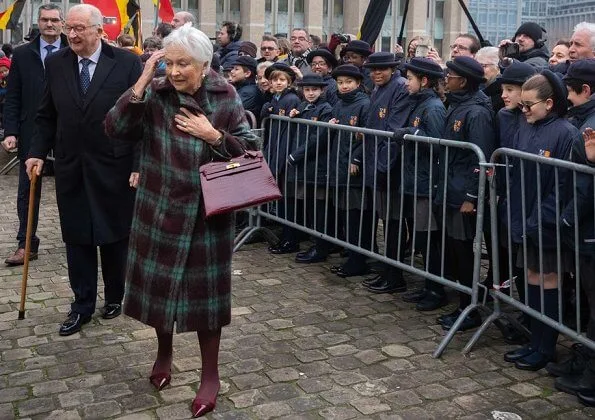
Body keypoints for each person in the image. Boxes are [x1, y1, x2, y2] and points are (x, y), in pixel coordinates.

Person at [104, 24, 257, 418]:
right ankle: (163, 353)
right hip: (160, 209)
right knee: (159, 292)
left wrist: (214, 135)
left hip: (209, 217)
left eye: (183, 64)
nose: (174, 71)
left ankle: (210, 375)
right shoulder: (156, 92)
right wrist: (140, 81)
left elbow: (250, 152)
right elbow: (115, 129)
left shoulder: (226, 95)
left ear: (204, 65)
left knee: (207, 302)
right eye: (169, 63)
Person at [24, 4, 142, 335]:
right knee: (77, 235)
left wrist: (138, 164)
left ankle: (116, 295)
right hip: (71, 165)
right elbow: (47, 114)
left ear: (99, 31)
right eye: (69, 29)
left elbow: (138, 120)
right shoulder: (57, 62)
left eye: (79, 29)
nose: (72, 35)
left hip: (114, 165)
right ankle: (82, 304)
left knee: (115, 235)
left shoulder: (127, 63)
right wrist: (35, 151)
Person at [502, 71, 581, 371]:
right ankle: (534, 341)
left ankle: (546, 347)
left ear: (549, 104)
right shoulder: (525, 125)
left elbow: (564, 185)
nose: (522, 110)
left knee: (548, 280)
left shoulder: (565, 132)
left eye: (528, 105)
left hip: (547, 223)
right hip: (526, 217)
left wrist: (542, 219)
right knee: (532, 277)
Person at [1, 4, 68, 266]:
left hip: (67, 128)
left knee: (72, 184)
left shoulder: (72, 49)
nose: (49, 24)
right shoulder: (22, 54)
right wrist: (11, 131)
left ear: (62, 23)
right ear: (38, 23)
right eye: (44, 20)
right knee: (28, 189)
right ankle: (25, 243)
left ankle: (78, 238)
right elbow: (13, 96)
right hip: (32, 129)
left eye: (54, 20)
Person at [434, 56, 495, 332]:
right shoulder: (456, 105)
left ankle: (469, 308)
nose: (446, 78)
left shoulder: (477, 112)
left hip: (462, 194)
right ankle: (462, 302)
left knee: (463, 250)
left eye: (452, 75)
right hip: (449, 187)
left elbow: (480, 160)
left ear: (464, 81)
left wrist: (472, 197)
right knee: (454, 249)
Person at [547, 59, 595, 395]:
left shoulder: (589, 125)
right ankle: (583, 360)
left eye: (570, 89)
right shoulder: (583, 119)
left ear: (585, 90)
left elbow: (584, 186)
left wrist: (567, 218)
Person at [352, 52, 409, 294]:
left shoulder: (399, 88)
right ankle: (388, 269)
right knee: (386, 220)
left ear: (392, 69)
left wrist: (384, 167)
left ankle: (394, 274)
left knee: (393, 221)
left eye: (382, 69)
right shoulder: (377, 88)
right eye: (373, 69)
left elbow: (393, 133)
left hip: (389, 166)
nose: (376, 73)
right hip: (376, 161)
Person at [398, 57, 447, 310]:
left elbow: (439, 143)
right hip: (417, 179)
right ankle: (428, 285)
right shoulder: (420, 103)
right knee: (423, 237)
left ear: (424, 81)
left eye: (410, 79)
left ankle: (436, 290)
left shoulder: (433, 107)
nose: (407, 83)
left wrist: (411, 133)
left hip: (427, 182)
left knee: (429, 240)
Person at [326, 64, 370, 278]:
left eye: (349, 82)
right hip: (339, 165)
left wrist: (357, 158)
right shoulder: (339, 104)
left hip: (353, 170)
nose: (344, 86)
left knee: (355, 217)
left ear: (358, 83)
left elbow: (367, 135)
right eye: (340, 82)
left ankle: (358, 259)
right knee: (344, 214)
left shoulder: (364, 104)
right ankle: (351, 254)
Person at [285, 73, 333, 263]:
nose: (310, 93)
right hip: (306, 166)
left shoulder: (325, 109)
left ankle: (321, 247)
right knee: (311, 207)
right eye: (307, 89)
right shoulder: (302, 106)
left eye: (314, 89)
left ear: (322, 90)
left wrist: (296, 155)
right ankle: (316, 244)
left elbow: (319, 138)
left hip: (317, 165)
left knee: (320, 208)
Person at [261, 62, 301, 254]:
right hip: (275, 150)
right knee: (282, 199)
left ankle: (289, 239)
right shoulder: (275, 99)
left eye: (282, 80)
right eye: (274, 79)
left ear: (289, 81)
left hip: (283, 154)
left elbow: (287, 133)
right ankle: (286, 238)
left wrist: (280, 157)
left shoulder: (290, 99)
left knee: (287, 201)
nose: (277, 83)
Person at [229, 56, 264, 120]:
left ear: (247, 73)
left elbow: (229, 110)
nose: (232, 71)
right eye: (233, 68)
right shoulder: (241, 88)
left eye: (236, 69)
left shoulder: (249, 92)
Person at [476, 46, 504, 112]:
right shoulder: (476, 88)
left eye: (483, 66)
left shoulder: (502, 96)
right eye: (476, 65)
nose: (478, 69)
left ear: (498, 67)